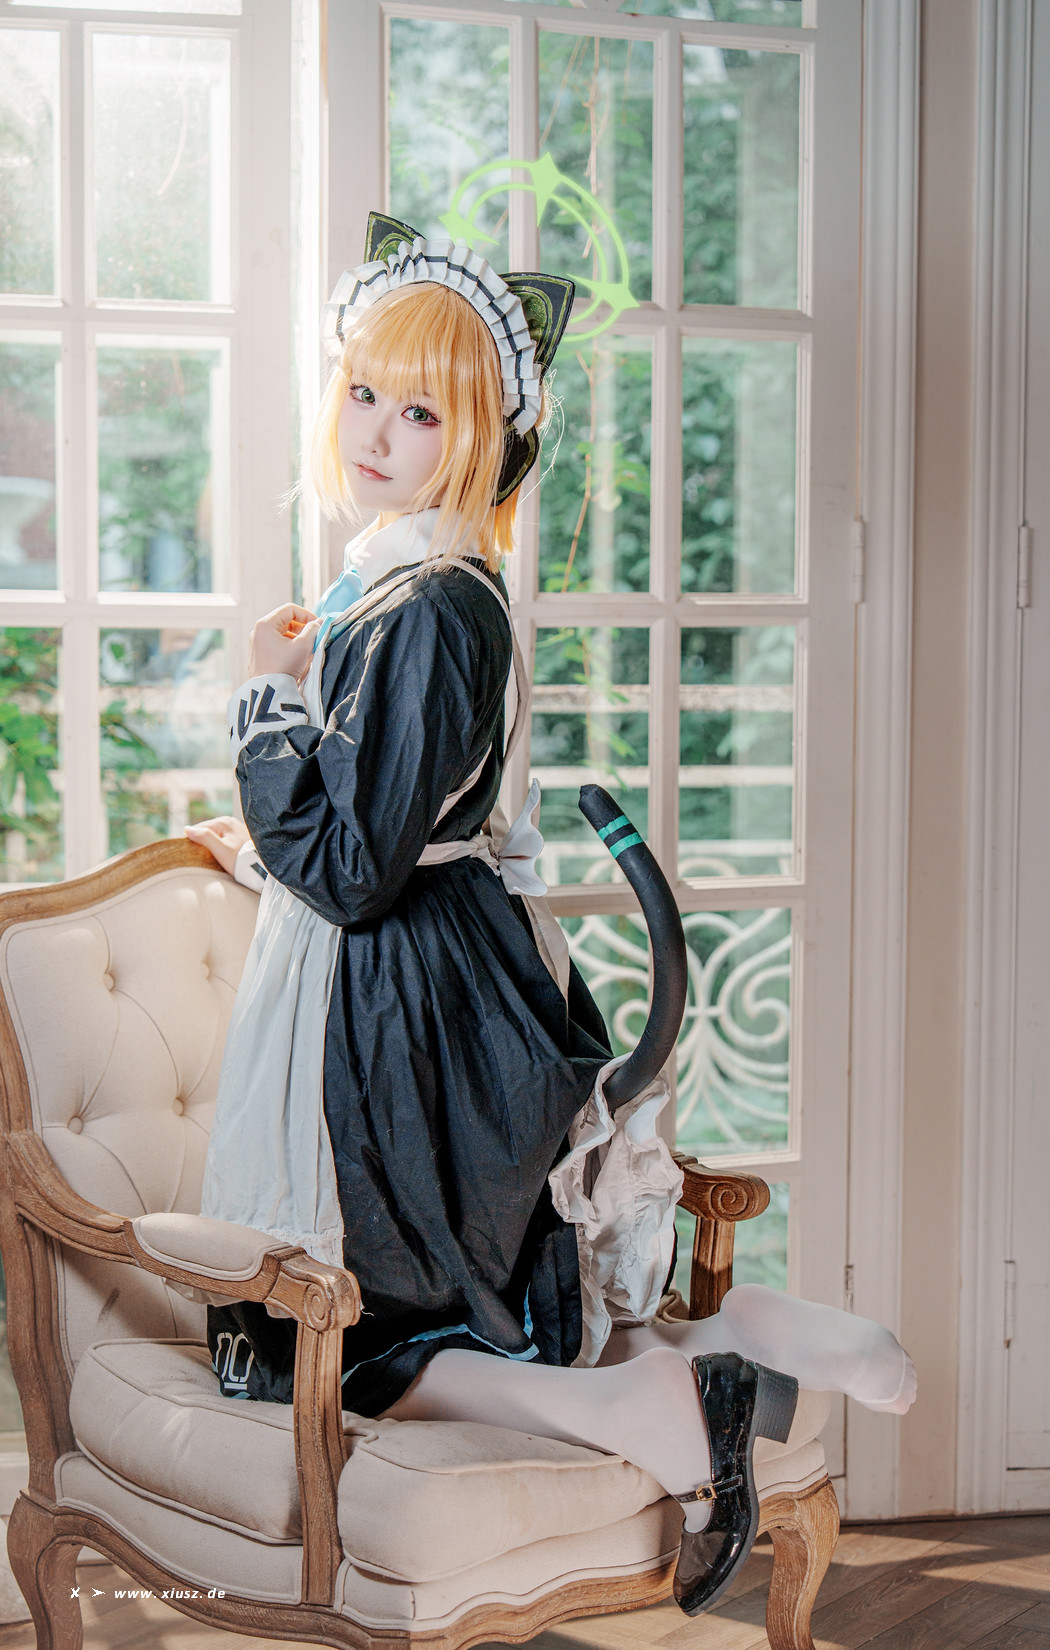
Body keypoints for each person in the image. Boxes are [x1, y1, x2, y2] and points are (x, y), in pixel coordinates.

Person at [186, 214, 915, 1616]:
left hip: (399, 1003)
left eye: (421, 411)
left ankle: (663, 1401)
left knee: (345, 1334)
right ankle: (748, 1340)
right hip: (429, 973)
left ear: (479, 439)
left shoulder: (427, 604)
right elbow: (382, 817)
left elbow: (354, 867)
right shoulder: (414, 582)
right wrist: (270, 825)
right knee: (466, 1308)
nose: (377, 431)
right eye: (365, 392)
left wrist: (264, 698)